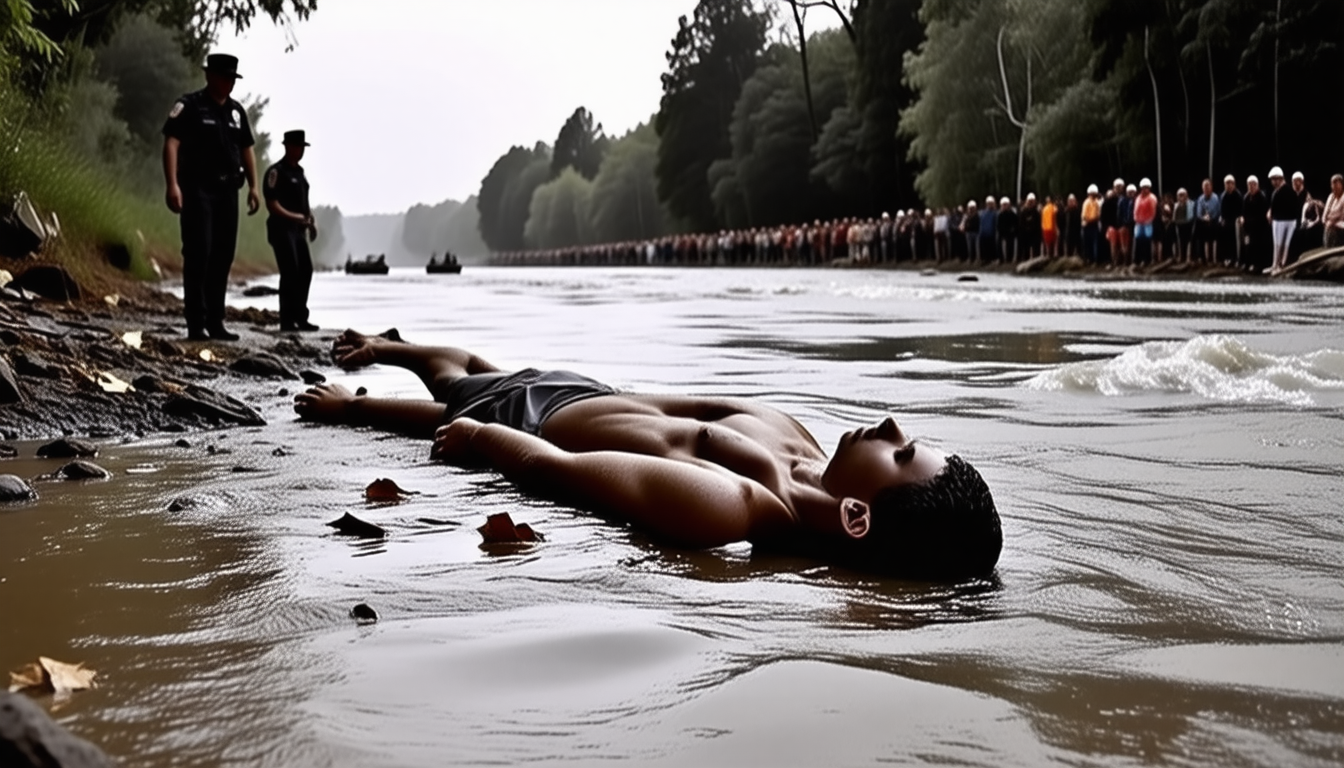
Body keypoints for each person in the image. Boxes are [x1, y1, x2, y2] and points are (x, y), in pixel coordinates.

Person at [293, 331, 1003, 579]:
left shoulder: (733, 507)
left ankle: (359, 389)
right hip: (592, 391)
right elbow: (683, 408)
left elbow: (565, 472)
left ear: (856, 518)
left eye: (902, 453)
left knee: (454, 393)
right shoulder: (800, 444)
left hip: (539, 421)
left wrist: (482, 439)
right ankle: (388, 347)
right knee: (465, 369)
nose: (890, 424)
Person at [162, 53, 260, 342]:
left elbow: (246, 149)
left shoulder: (237, 112)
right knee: (199, 252)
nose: (229, 82)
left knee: (222, 255)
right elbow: (171, 144)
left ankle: (216, 321)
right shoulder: (190, 105)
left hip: (228, 191)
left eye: (232, 78)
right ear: (209, 76)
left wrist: (254, 187)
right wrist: (172, 184)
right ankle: (196, 323)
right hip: (197, 189)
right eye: (224, 77)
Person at [263, 130, 319, 332]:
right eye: (297, 147)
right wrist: (293, 216)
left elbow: (304, 203)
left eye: (302, 147)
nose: (300, 151)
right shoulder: (276, 172)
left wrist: (310, 222)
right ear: (288, 147)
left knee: (305, 270)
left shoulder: (300, 173)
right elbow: (272, 204)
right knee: (290, 271)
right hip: (281, 228)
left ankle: (300, 317)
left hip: (299, 230)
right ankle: (287, 320)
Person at [1267, 167, 1298, 273]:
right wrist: (1271, 213)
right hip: (1278, 220)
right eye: (1273, 179)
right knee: (1277, 243)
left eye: (1276, 179)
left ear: (1281, 179)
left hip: (1287, 220)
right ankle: (1275, 264)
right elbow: (1273, 206)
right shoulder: (1276, 192)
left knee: (1284, 244)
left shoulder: (1288, 191)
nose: (1274, 182)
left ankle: (1281, 265)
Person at [1240, 175, 1270, 272]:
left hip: (1259, 227)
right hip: (1249, 227)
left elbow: (1262, 214)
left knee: (1257, 245)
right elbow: (1243, 212)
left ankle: (1257, 265)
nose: (1251, 187)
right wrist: (1243, 218)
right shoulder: (1246, 198)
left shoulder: (1262, 197)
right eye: (1249, 185)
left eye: (1253, 184)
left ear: (1257, 185)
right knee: (1247, 245)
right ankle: (1247, 263)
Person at [1194, 179, 1220, 264]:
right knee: (1199, 228)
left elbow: (1217, 211)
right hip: (1203, 222)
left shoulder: (1215, 198)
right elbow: (1198, 213)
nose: (1206, 189)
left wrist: (1210, 218)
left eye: (1208, 187)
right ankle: (1204, 258)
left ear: (1211, 187)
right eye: (1204, 187)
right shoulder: (1200, 199)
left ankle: (1214, 259)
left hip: (1213, 221)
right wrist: (1204, 218)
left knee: (1214, 230)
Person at [1218, 175, 1243, 266]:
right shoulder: (1223, 196)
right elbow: (1222, 210)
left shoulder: (1238, 195)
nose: (1229, 185)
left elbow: (1241, 210)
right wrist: (1222, 219)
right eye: (1227, 183)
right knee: (1225, 239)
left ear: (1234, 184)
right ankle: (1227, 258)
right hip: (1227, 221)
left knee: (1235, 240)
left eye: (1230, 183)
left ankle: (1237, 259)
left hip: (1236, 221)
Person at [1081, 186, 1102, 264]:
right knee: (1087, 243)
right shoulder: (1086, 202)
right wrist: (1090, 220)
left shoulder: (1097, 203)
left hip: (1094, 224)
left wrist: (1093, 219)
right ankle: (1088, 259)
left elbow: (1098, 215)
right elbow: (1084, 216)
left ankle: (1094, 260)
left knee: (1094, 243)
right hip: (1087, 225)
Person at [1324, 174, 1344, 249]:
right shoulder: (1330, 197)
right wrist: (1326, 221)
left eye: (1336, 184)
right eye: (1332, 184)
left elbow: (1340, 215)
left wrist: (1332, 221)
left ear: (1341, 185)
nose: (1334, 187)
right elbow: (1325, 215)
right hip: (1330, 225)